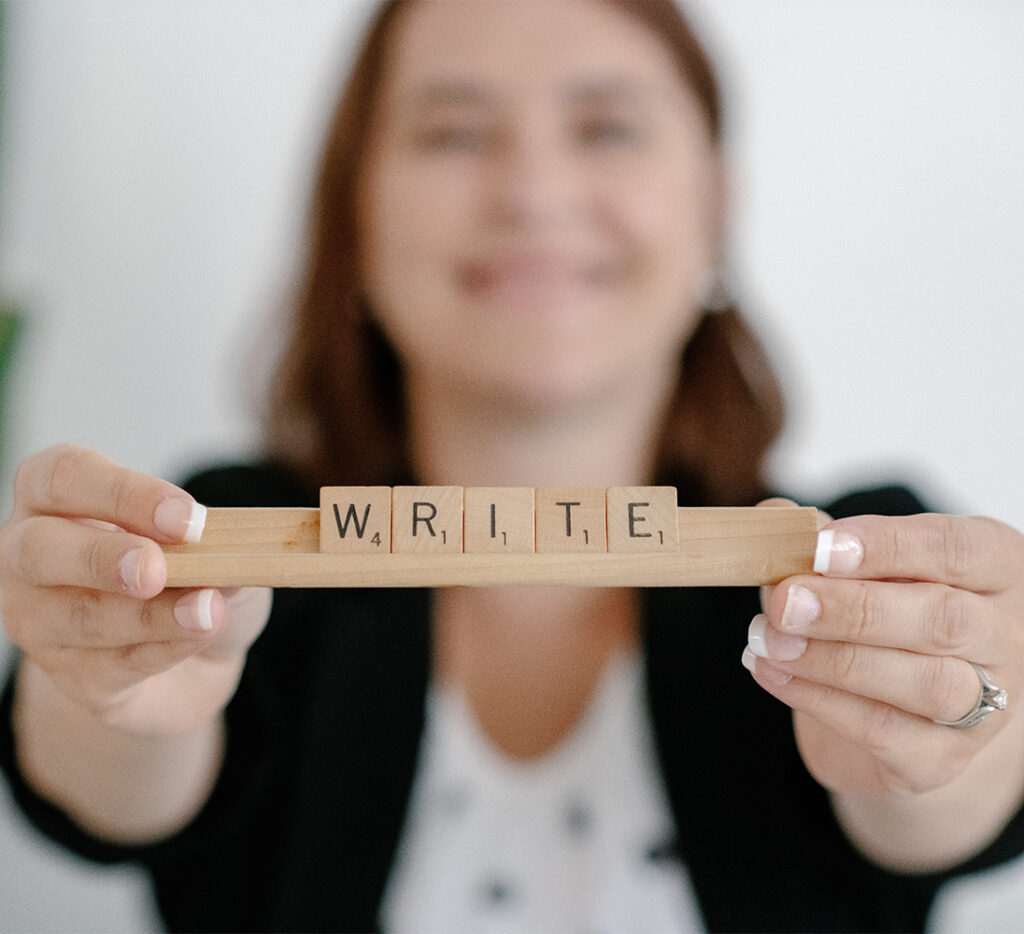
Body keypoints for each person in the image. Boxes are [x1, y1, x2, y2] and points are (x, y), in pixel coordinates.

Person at [3, 1, 1024, 930]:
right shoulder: (226, 537)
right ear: (357, 211)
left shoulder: (865, 563)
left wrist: (949, 734)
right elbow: (111, 784)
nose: (533, 190)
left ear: (713, 202)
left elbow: (959, 801)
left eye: (606, 127)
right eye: (452, 130)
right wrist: (102, 671)